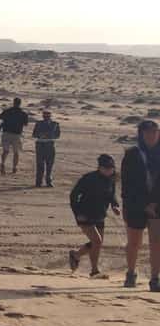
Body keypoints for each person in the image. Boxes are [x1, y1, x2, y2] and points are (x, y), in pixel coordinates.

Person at [120, 120, 160, 289]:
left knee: (156, 243)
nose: (151, 135)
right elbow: (126, 183)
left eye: (154, 131)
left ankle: (155, 278)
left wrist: (154, 202)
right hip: (135, 204)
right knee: (134, 242)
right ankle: (130, 274)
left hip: (157, 204)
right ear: (141, 134)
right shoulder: (132, 154)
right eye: (147, 132)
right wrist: (127, 205)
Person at [68, 154, 119, 279]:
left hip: (100, 214)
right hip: (85, 214)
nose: (109, 170)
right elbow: (73, 195)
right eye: (106, 168)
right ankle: (94, 270)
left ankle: (76, 255)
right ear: (99, 167)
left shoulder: (111, 180)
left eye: (111, 168)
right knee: (97, 241)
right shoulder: (88, 178)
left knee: (96, 243)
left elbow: (112, 195)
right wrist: (78, 213)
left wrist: (115, 205)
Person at [0, 98, 30, 175]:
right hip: (16, 134)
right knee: (16, 152)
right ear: (20, 103)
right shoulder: (23, 113)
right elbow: (26, 124)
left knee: (6, 151)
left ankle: (3, 164)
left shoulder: (7, 111)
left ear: (13, 103)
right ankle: (14, 167)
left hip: (6, 133)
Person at [32, 109, 60, 188]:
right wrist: (41, 135)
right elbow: (34, 134)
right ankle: (39, 182)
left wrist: (49, 136)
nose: (46, 117)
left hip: (49, 144)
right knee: (40, 164)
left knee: (49, 164)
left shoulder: (55, 124)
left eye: (48, 116)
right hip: (40, 144)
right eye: (45, 116)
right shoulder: (39, 124)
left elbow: (57, 135)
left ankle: (48, 181)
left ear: (50, 116)